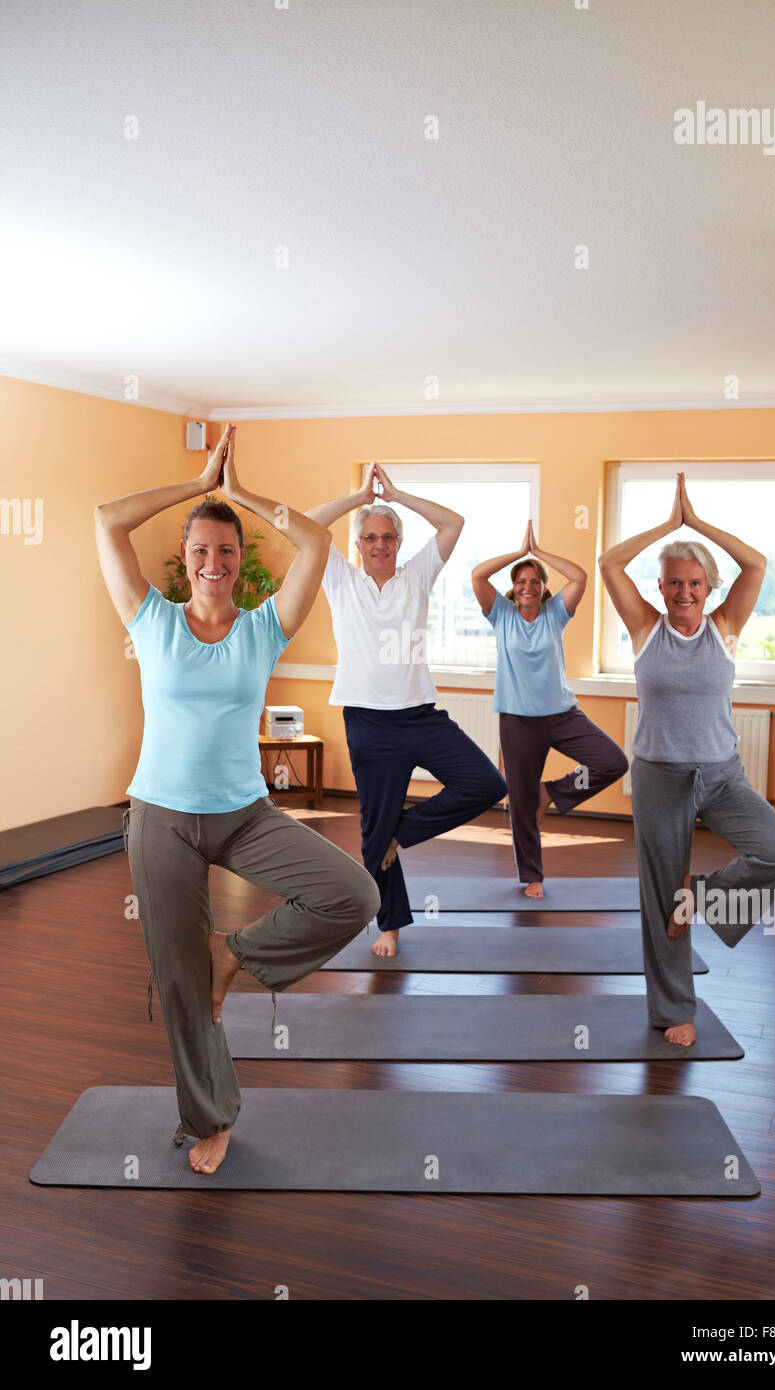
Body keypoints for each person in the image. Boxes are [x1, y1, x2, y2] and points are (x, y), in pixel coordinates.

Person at [94, 424, 380, 1173]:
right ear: (185, 555)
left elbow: (316, 542)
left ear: (240, 557)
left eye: (226, 551)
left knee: (354, 894)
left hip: (245, 814)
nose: (213, 564)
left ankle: (235, 954)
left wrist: (240, 493)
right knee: (179, 979)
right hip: (159, 817)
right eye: (201, 550)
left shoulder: (265, 628)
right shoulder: (150, 619)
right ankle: (210, 1115)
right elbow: (107, 520)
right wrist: (197, 486)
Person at [598, 472, 775, 1046]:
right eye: (674, 582)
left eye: (694, 582)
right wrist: (668, 526)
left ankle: (703, 896)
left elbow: (756, 563)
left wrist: (696, 523)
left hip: (721, 775)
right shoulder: (645, 628)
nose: (684, 592)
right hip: (660, 776)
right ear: (661, 588)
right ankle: (673, 1010)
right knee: (657, 897)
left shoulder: (725, 628)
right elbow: (609, 563)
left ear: (709, 587)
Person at [307, 461, 507, 957]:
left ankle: (401, 834)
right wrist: (360, 498)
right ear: (358, 545)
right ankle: (390, 925)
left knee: (486, 784)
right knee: (373, 831)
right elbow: (307, 524)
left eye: (388, 537)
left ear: (399, 542)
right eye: (370, 537)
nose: (380, 545)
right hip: (367, 722)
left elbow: (453, 522)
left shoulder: (417, 575)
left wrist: (396, 496)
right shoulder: (340, 579)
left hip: (420, 717)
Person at [472, 521, 628, 897]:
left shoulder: (556, 612)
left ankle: (552, 792)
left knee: (613, 762)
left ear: (544, 588)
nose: (527, 587)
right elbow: (477, 575)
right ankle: (533, 877)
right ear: (514, 587)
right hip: (517, 721)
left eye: (535, 581)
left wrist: (538, 553)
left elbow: (580, 576)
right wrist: (518, 553)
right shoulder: (501, 614)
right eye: (521, 581)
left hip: (561, 716)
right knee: (521, 803)